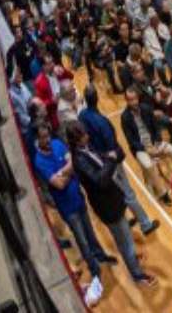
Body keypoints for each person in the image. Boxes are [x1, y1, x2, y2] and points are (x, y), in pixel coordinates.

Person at [65, 121, 158, 287]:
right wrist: (111, 160)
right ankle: (137, 275)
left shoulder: (86, 148)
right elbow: (100, 180)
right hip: (107, 206)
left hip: (113, 199)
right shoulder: (79, 160)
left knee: (125, 238)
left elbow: (101, 160)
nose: (88, 135)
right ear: (76, 140)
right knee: (126, 241)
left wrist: (108, 156)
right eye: (84, 134)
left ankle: (132, 262)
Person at [31, 122, 113, 303]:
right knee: (82, 240)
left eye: (47, 135)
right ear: (37, 139)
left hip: (78, 197)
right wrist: (68, 170)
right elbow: (58, 184)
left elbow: (73, 164)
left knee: (90, 233)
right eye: (42, 138)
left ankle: (101, 255)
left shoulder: (58, 144)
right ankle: (95, 270)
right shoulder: (39, 161)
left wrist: (62, 172)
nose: (47, 140)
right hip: (67, 207)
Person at [77, 86, 161, 236]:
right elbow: (112, 145)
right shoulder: (102, 122)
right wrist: (118, 155)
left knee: (117, 191)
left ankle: (126, 218)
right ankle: (145, 224)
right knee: (128, 193)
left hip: (97, 161)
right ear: (97, 99)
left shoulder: (82, 115)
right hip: (111, 163)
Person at [119, 86, 172, 204]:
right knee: (149, 166)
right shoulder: (125, 117)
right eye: (129, 100)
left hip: (154, 143)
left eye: (134, 99)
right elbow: (131, 141)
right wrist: (147, 149)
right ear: (126, 101)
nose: (133, 102)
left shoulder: (146, 108)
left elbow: (156, 128)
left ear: (138, 98)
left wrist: (156, 142)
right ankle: (163, 193)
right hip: (140, 149)